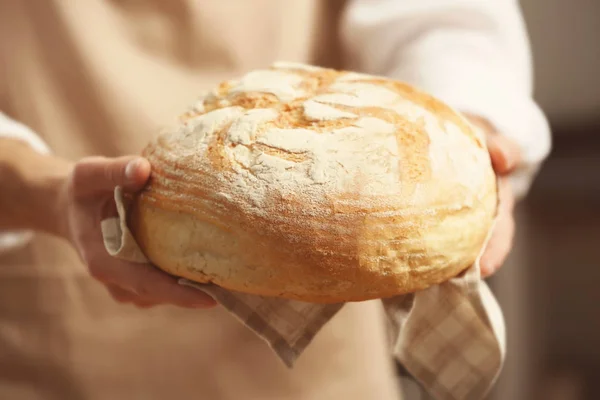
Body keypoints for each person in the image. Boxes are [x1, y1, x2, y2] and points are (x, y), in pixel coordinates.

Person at [0, 1, 551, 399]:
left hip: (321, 363)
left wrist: (461, 142)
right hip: (55, 344)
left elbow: (440, 20)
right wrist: (38, 189)